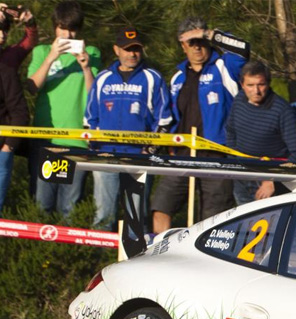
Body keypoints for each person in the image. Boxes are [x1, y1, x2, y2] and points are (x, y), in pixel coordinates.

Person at [151, 17, 249, 232]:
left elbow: (243, 50)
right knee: (161, 207)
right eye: (191, 42)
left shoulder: (224, 66)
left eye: (200, 41)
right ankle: (159, 257)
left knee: (212, 220)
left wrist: (209, 34)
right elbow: (170, 116)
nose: (197, 46)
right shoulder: (177, 76)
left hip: (216, 156)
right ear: (182, 45)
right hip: (180, 155)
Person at [84, 27, 172, 229]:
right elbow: (90, 118)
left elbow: (164, 120)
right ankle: (101, 259)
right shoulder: (103, 78)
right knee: (103, 216)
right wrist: (95, 148)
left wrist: (149, 150)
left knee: (136, 217)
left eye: (136, 49)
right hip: (106, 156)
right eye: (127, 49)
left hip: (139, 157)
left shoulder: (153, 78)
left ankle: (136, 259)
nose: (132, 54)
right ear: (116, 50)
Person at [26, 0, 98, 220]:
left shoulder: (92, 52)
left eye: (73, 29)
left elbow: (94, 95)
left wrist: (86, 67)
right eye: (63, 28)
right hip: (46, 138)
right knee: (42, 205)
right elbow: (31, 88)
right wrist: (51, 58)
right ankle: (41, 252)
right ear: (55, 27)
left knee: (69, 208)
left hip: (77, 140)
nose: (68, 34)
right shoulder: (42, 51)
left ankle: (66, 253)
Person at [225, 60, 296, 205]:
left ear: (268, 83)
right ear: (242, 84)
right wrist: (234, 162)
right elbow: (231, 131)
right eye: (250, 85)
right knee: (245, 224)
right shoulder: (239, 100)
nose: (256, 91)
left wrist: (273, 181)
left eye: (261, 84)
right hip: (242, 177)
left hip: (268, 182)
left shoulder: (282, 110)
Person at [0, 60, 27, 211]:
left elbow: (20, 113)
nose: (3, 34)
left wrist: (8, 147)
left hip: (1, 152)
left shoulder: (6, 71)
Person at [0, 3, 37, 70]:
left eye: (5, 31)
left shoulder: (10, 56)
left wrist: (29, 21)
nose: (2, 35)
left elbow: (30, 42)